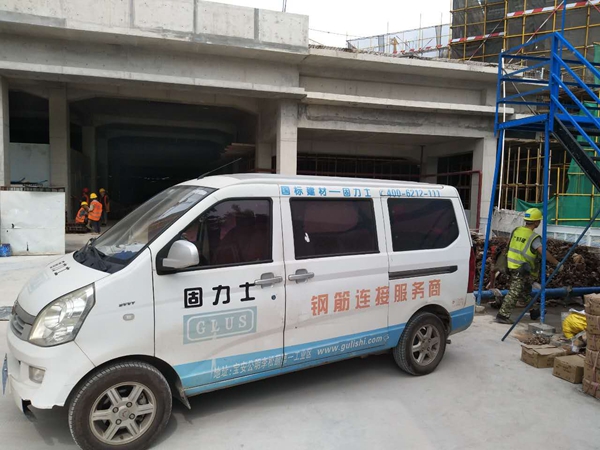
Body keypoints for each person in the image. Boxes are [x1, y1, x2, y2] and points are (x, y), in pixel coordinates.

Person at [495, 208, 563, 324]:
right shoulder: (533, 237)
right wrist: (557, 263)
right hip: (521, 268)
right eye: (539, 220)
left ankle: (534, 311)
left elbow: (509, 246)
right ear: (536, 222)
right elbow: (543, 252)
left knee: (525, 291)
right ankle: (503, 315)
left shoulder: (517, 230)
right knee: (515, 292)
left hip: (511, 265)